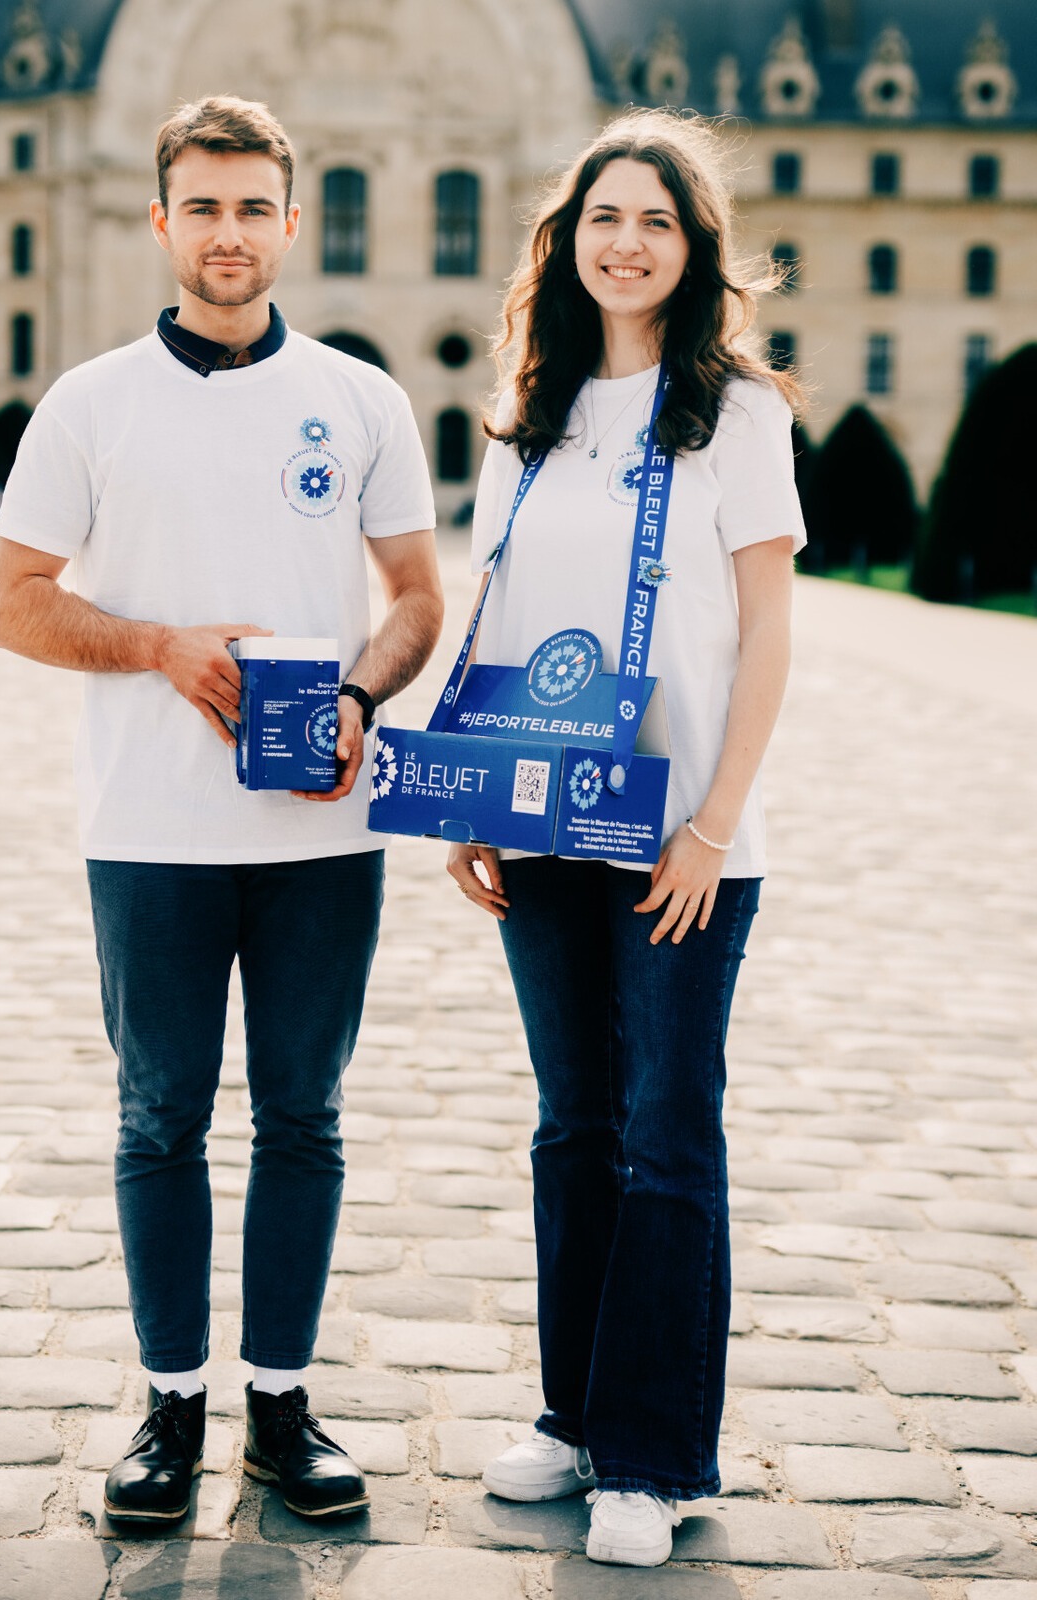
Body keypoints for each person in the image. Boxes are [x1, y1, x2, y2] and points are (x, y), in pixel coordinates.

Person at [0, 95, 441, 1526]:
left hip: (322, 838)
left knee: (303, 1116)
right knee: (160, 1119)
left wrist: (362, 697)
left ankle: (283, 1403)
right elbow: (14, 605)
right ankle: (171, 1405)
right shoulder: (93, 401)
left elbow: (419, 599)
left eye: (256, 207)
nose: (230, 232)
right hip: (150, 830)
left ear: (292, 224)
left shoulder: (364, 400)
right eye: (206, 206)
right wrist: (160, 648)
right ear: (161, 219)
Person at [445, 108, 805, 1567]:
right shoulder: (525, 416)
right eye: (606, 217)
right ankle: (572, 1416)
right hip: (539, 826)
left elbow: (773, 630)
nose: (628, 241)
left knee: (669, 1134)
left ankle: (653, 1460)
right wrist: (463, 800)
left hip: (680, 842)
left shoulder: (741, 416)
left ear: (693, 247)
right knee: (570, 1125)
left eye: (657, 219)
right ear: (568, 240)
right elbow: (504, 622)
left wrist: (716, 822)